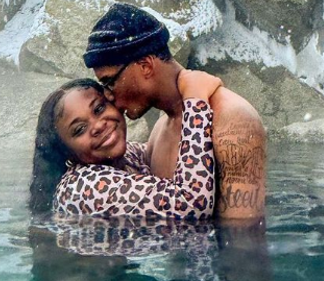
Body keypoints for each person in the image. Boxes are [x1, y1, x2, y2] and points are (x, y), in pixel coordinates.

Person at [84, 3, 267, 222]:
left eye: (109, 82)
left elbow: (243, 238)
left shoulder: (232, 118)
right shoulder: (161, 127)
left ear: (145, 66)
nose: (109, 96)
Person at [28, 70, 223, 218]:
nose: (98, 126)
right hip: (99, 272)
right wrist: (195, 101)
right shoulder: (84, 185)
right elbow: (193, 205)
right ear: (67, 154)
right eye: (79, 129)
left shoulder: (126, 156)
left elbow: (175, 159)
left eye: (99, 108)